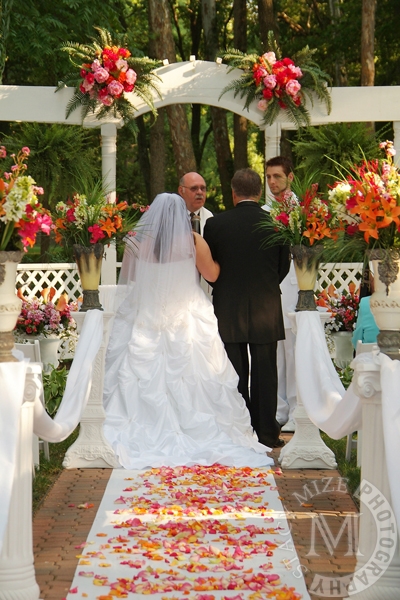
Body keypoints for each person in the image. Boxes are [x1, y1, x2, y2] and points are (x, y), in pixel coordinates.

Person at [102, 192, 272, 469]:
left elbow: (132, 277)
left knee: (136, 374)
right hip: (185, 316)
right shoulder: (192, 241)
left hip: (146, 315)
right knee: (198, 375)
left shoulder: (137, 241)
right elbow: (213, 274)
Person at [203, 168, 290, 448]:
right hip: (266, 305)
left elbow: (211, 269)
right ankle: (267, 434)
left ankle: (239, 431)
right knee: (266, 373)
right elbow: (283, 267)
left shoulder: (215, 225)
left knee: (234, 372)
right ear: (260, 192)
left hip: (229, 306)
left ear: (233, 192)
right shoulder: (276, 223)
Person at [264, 156, 298, 433]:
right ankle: (278, 410)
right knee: (275, 353)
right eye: (268, 177)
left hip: (297, 288)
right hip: (271, 290)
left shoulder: (305, 210)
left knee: (295, 352)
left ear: (291, 177)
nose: (272, 182)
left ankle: (298, 410)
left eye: (277, 176)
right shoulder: (263, 212)